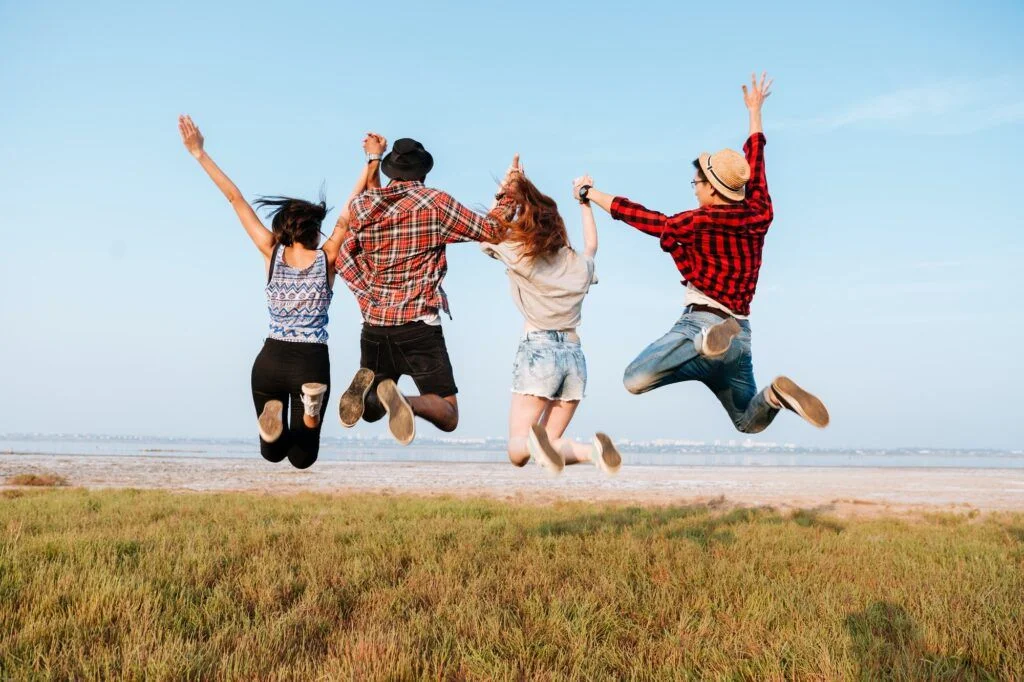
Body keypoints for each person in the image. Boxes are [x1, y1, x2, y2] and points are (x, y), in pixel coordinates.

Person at [575, 73, 830, 434]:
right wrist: (755, 112)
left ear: (712, 189)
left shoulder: (698, 222)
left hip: (702, 323)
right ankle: (773, 396)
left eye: (697, 183)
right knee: (747, 422)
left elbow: (641, 216)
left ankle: (703, 344)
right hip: (739, 335)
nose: (694, 189)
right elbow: (756, 161)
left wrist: (589, 193)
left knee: (634, 379)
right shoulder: (759, 211)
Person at [178, 115, 371, 468]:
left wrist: (199, 153)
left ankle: (272, 420)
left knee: (273, 452)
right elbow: (348, 214)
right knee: (303, 457)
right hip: (311, 361)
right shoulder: (326, 257)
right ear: (314, 231)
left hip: (270, 360)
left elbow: (235, 198)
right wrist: (371, 161)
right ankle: (310, 409)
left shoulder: (271, 252)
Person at [334, 136, 517, 445]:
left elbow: (343, 257)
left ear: (391, 170)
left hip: (374, 327)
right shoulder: (435, 203)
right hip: (418, 328)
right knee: (449, 415)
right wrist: (510, 192)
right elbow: (492, 230)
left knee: (370, 410)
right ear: (423, 172)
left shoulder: (362, 206)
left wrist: (367, 297)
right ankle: (406, 401)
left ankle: (370, 394)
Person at [481, 156, 620, 475]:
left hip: (539, 352)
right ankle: (591, 452)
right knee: (549, 442)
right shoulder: (578, 265)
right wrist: (584, 203)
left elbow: (488, 231)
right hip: (574, 358)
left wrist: (508, 189)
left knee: (517, 449)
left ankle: (535, 444)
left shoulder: (522, 257)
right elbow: (591, 247)